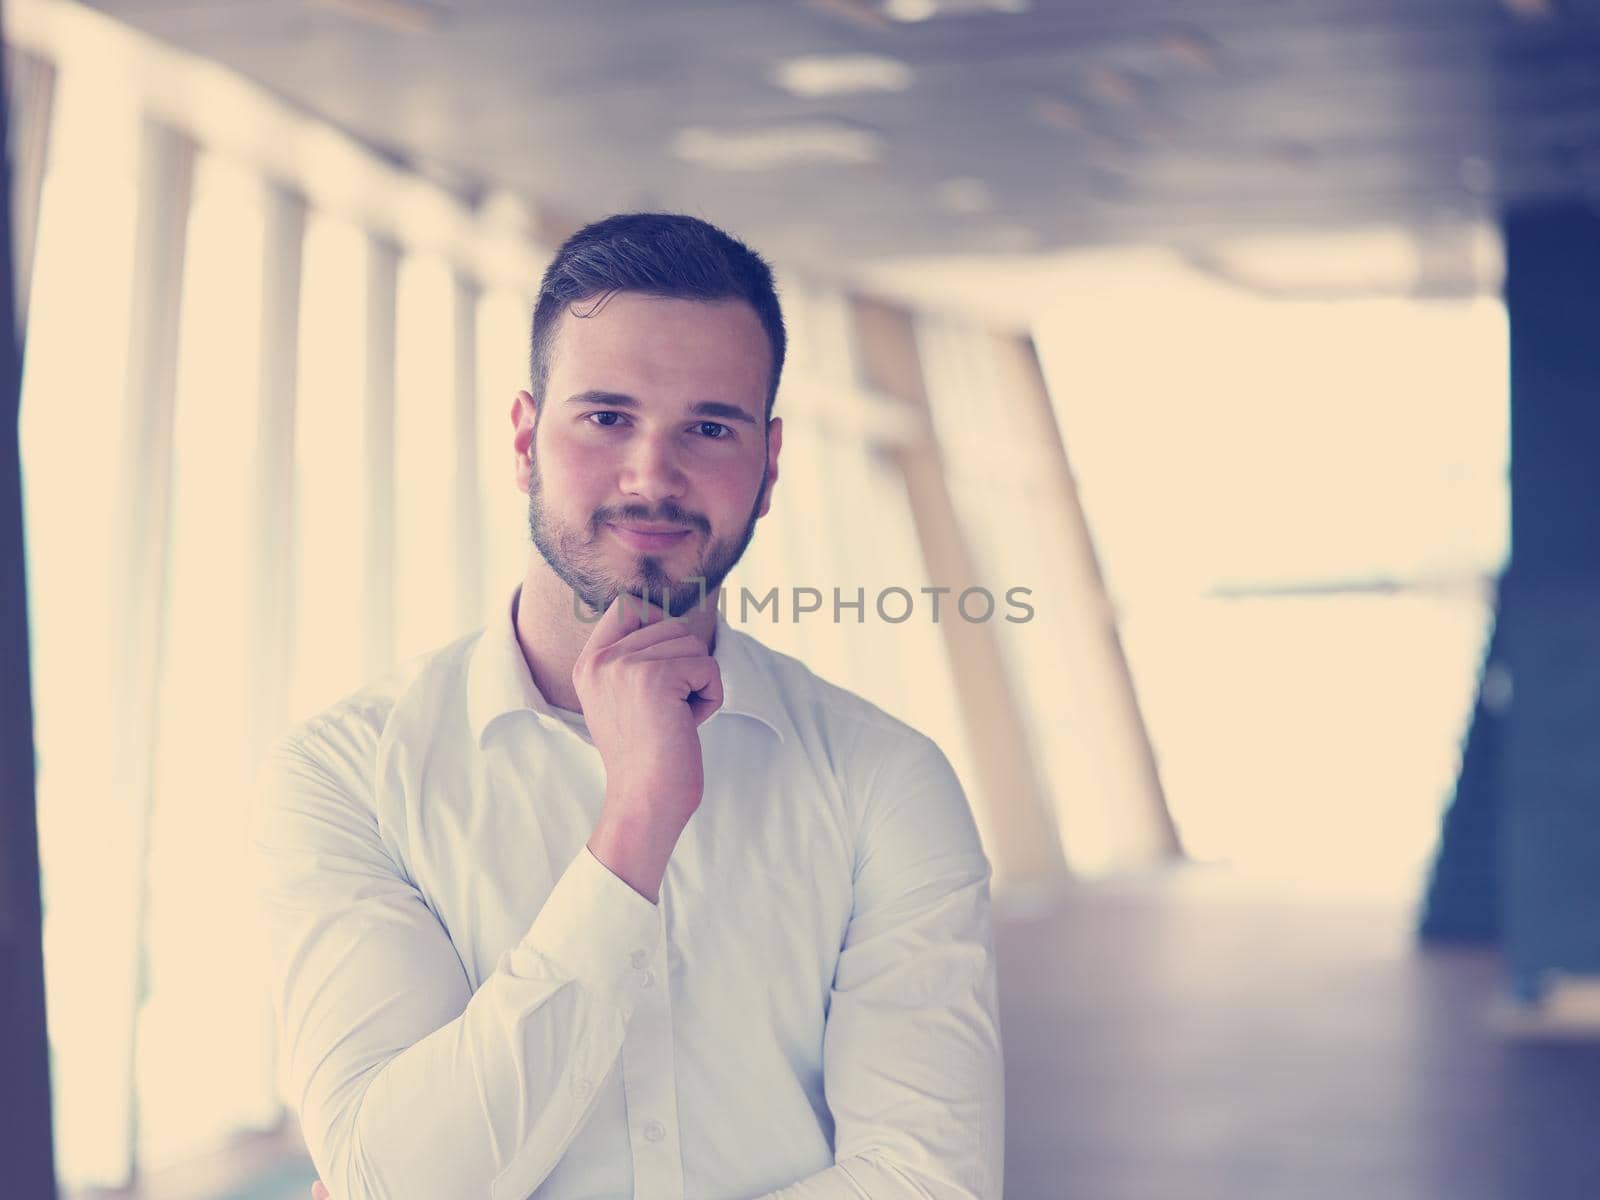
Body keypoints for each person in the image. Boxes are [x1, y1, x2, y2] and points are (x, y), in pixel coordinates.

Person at [252, 212, 1005, 1200]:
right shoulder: (350, 776)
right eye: (606, 417)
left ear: (769, 465)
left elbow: (927, 1186)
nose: (652, 475)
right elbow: (389, 1178)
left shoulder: (883, 781)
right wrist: (636, 823)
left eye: (708, 427)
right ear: (524, 441)